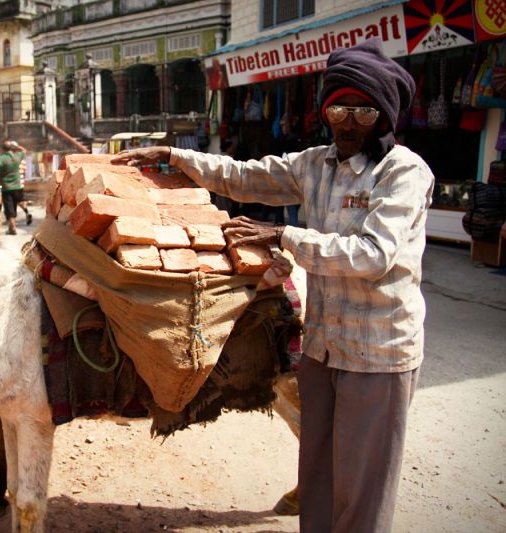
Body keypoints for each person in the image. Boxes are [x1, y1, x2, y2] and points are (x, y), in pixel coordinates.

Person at [113, 38, 434, 533]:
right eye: (340, 108)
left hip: (379, 353)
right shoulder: (315, 164)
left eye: (364, 112)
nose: (349, 122)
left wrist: (282, 234)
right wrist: (176, 156)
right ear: (326, 110)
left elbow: (373, 255)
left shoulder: (403, 173)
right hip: (323, 348)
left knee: (362, 490)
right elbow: (244, 177)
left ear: (386, 116)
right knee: (320, 476)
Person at [0, 139, 32, 235]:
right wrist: (16, 146)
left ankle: (13, 228)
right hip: (17, 186)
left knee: (9, 208)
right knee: (19, 201)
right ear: (11, 148)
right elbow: (24, 150)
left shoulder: (1, 158)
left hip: (6, 187)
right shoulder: (16, 156)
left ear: (3, 149)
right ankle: (27, 212)